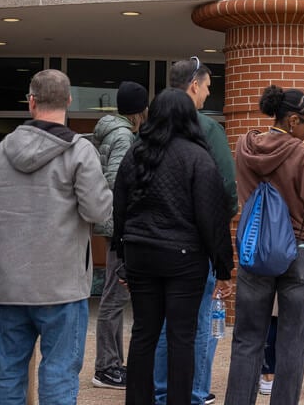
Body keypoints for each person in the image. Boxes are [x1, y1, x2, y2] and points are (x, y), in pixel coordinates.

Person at [0, 69, 112, 404]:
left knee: (9, 373)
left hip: (11, 285)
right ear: (68, 100)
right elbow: (99, 211)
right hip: (63, 284)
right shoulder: (80, 151)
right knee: (59, 375)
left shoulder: (0, 152)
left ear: (31, 102)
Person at [224, 84, 304, 405]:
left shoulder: (244, 146)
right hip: (299, 253)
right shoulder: (303, 155)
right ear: (293, 121)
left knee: (247, 339)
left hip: (254, 250)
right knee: (292, 343)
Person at [114, 88, 234, 405]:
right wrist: (223, 267)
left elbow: (120, 209)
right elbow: (212, 218)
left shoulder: (135, 154)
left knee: (143, 333)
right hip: (184, 258)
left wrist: (122, 258)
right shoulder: (198, 158)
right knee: (182, 336)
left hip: (140, 253)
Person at [153, 57, 238, 405]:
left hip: (154, 243)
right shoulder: (207, 129)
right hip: (194, 243)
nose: (206, 95)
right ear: (192, 85)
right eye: (205, 88)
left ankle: (161, 392)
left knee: (160, 323)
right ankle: (194, 393)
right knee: (200, 321)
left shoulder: (149, 130)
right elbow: (228, 188)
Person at [92, 81, 149, 390]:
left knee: (114, 295)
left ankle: (112, 363)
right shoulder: (125, 136)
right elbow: (118, 179)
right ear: (140, 111)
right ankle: (106, 366)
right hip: (119, 225)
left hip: (110, 222)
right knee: (114, 297)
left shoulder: (110, 132)